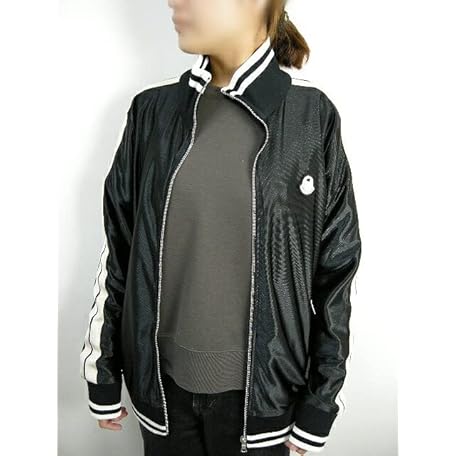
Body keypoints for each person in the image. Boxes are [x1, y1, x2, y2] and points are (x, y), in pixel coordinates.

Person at [79, 0, 362, 455]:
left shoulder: (311, 116)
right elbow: (119, 247)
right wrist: (103, 368)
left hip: (267, 401)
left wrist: (322, 400)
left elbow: (337, 272)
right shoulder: (153, 112)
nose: (175, 1)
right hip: (163, 392)